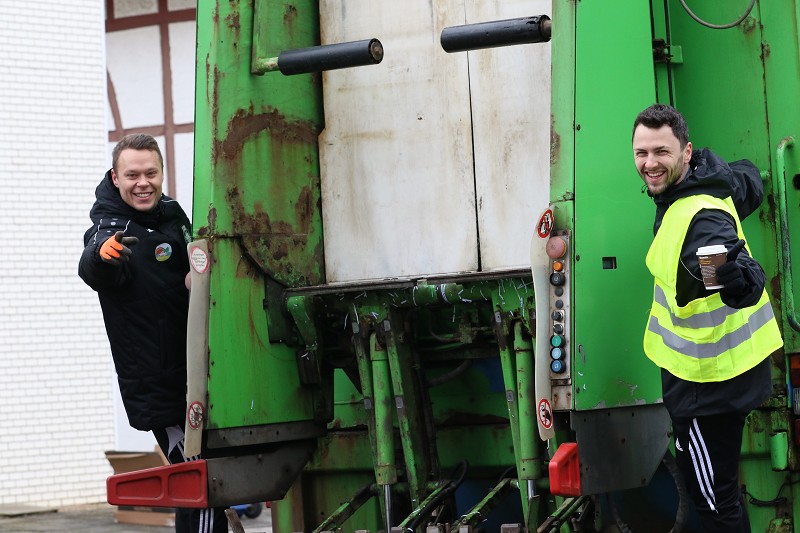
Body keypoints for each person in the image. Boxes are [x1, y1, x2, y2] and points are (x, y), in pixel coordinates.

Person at [631, 104, 783, 532]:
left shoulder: (700, 220)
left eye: (661, 152)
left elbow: (731, 271)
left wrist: (738, 280)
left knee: (715, 503)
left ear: (686, 151)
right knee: (721, 494)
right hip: (727, 375)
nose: (650, 163)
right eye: (642, 153)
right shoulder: (714, 181)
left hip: (707, 387)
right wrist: (741, 173)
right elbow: (748, 179)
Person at [79, 133, 228, 533]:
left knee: (201, 486)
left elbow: (192, 266)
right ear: (115, 178)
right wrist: (102, 257)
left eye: (151, 173)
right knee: (201, 483)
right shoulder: (111, 227)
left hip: (201, 373)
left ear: (162, 172)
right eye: (132, 175)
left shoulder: (171, 212)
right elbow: (93, 263)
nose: (142, 183)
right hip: (163, 388)